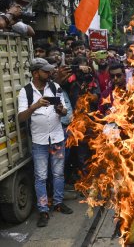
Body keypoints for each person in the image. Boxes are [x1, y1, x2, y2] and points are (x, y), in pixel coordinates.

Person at [17, 58, 73, 227]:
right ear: (35, 73)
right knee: (41, 176)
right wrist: (35, 106)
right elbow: (21, 117)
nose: (50, 74)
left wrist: (60, 110)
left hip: (57, 138)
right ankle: (43, 209)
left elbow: (65, 112)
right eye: (46, 71)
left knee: (58, 173)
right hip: (39, 141)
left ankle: (57, 202)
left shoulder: (55, 87)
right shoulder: (25, 92)